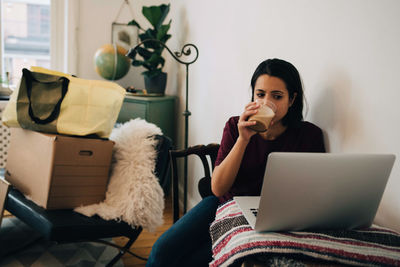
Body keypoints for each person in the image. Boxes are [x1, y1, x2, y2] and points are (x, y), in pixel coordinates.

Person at [146, 58, 326, 267]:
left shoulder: (309, 135)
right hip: (225, 204)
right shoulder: (235, 126)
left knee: (195, 261)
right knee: (162, 250)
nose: (266, 102)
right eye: (260, 94)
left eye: (277, 96)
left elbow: (313, 194)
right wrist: (243, 138)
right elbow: (218, 188)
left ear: (292, 99)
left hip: (270, 216)